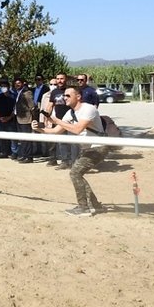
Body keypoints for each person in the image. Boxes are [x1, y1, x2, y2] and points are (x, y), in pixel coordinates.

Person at [31, 86, 108, 217]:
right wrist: (39, 129)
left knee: (75, 173)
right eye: (64, 95)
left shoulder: (88, 109)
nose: (64, 98)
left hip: (98, 147)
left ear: (78, 97)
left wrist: (56, 120)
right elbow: (56, 131)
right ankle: (95, 205)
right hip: (86, 149)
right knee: (77, 174)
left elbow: (77, 129)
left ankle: (83, 207)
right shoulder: (70, 113)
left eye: (67, 95)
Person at [46, 73, 74, 169]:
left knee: (73, 142)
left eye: (62, 78)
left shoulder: (70, 91)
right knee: (62, 142)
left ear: (66, 79)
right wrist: (47, 116)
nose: (59, 80)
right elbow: (50, 105)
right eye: (58, 79)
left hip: (71, 120)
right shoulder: (54, 92)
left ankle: (73, 161)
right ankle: (65, 161)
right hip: (58, 120)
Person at [13, 77, 36, 163]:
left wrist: (33, 119)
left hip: (26, 119)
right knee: (22, 139)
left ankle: (29, 157)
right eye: (16, 83)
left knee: (27, 139)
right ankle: (24, 155)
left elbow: (32, 107)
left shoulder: (27, 93)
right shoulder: (18, 93)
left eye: (19, 83)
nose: (17, 85)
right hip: (19, 118)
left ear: (23, 83)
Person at [0, 79, 16, 158]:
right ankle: (4, 152)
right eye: (2, 87)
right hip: (1, 120)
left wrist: (9, 117)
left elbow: (15, 109)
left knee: (12, 137)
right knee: (2, 137)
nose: (3, 88)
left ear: (8, 87)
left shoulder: (13, 96)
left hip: (11, 120)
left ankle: (14, 152)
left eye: (5, 86)